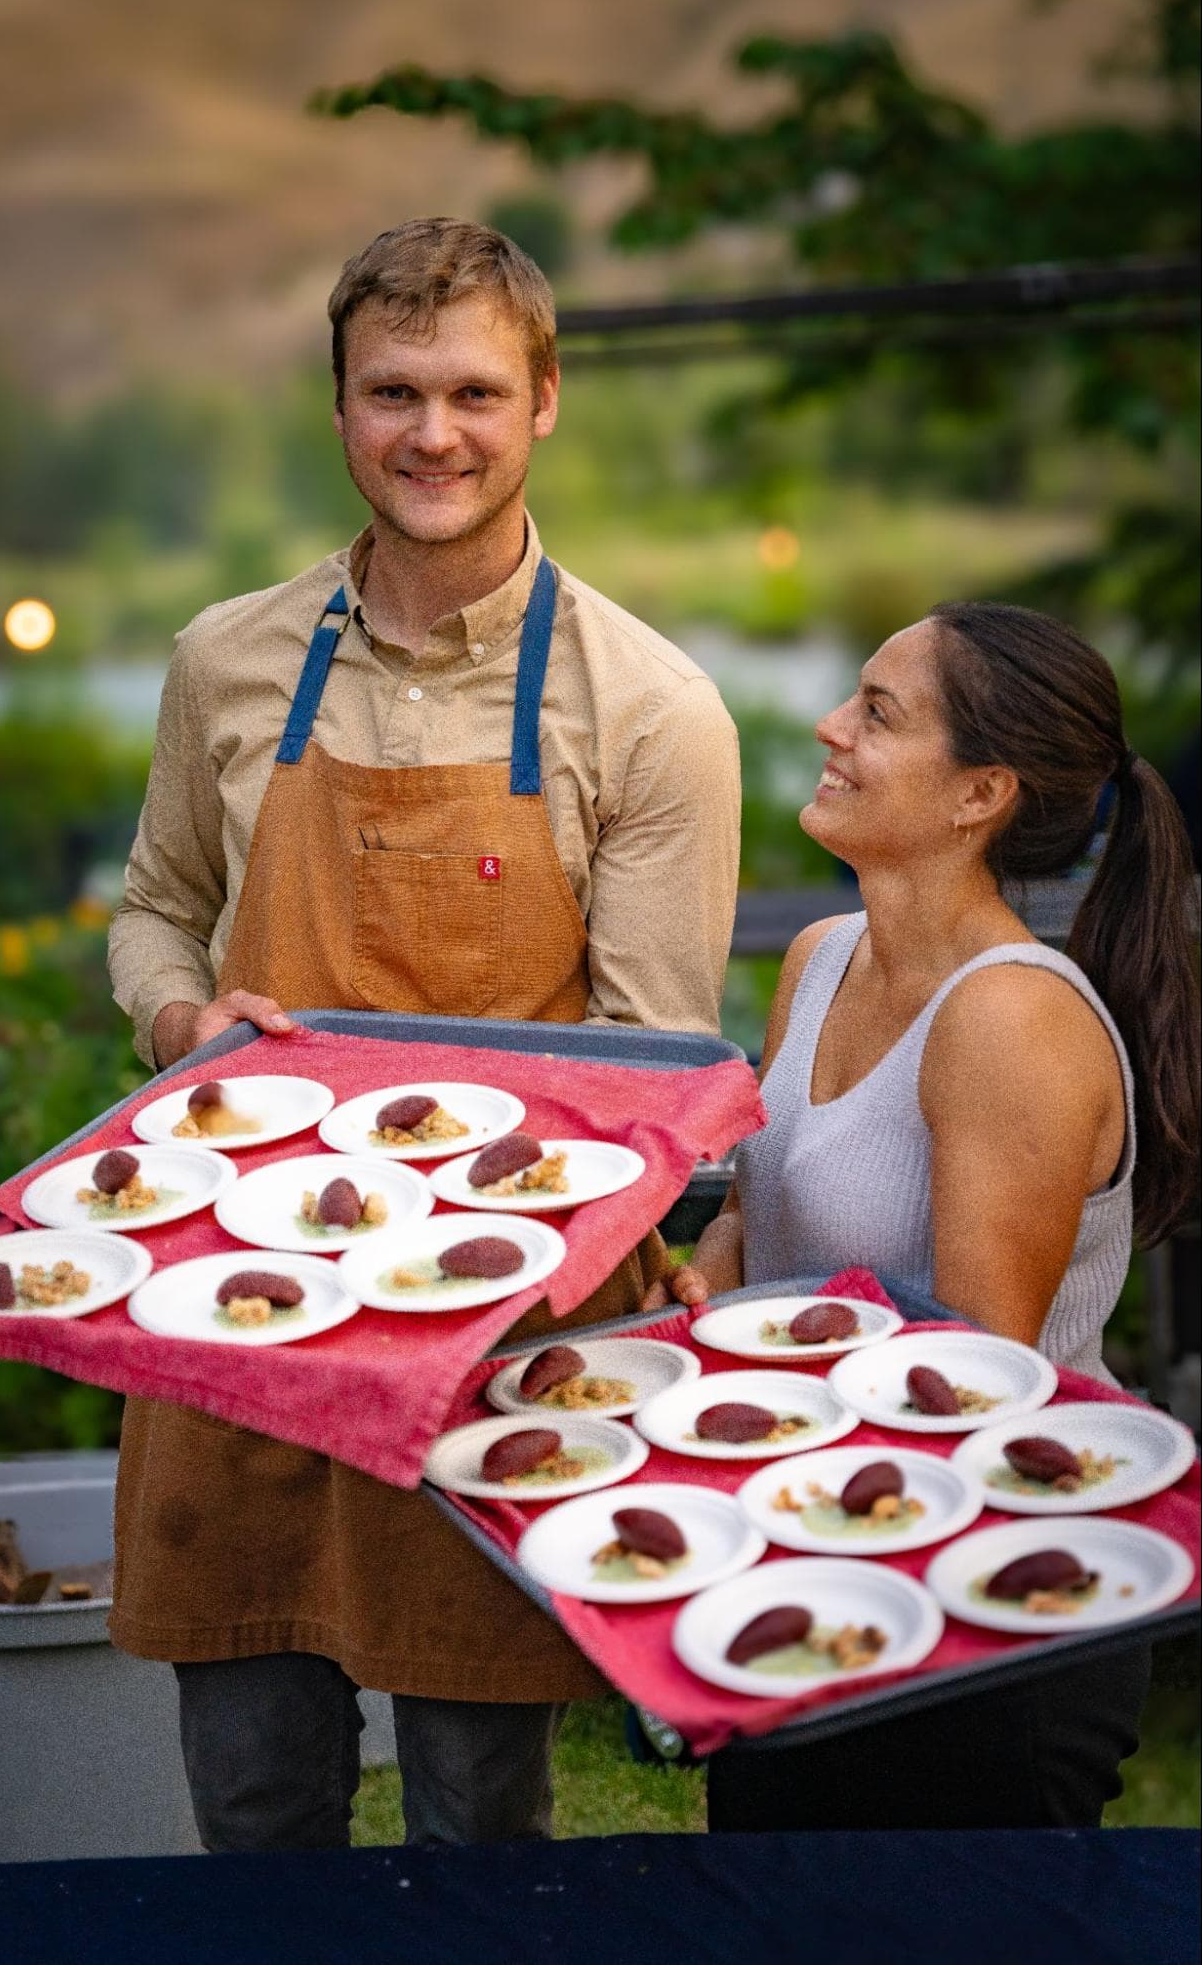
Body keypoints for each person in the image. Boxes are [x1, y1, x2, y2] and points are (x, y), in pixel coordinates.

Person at [105, 217, 741, 1850]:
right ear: (337, 408)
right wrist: (180, 1010)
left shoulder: (649, 706)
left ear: (544, 401)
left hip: (491, 1337)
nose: (432, 433)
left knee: (474, 1806)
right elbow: (155, 905)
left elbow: (649, 1076)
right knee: (249, 1795)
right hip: (229, 1306)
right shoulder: (224, 659)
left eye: (471, 390)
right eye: (392, 391)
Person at [648, 600, 1200, 1829]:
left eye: (879, 712)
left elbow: (974, 1383)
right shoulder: (822, 956)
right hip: (813, 1551)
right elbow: (759, 1216)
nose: (828, 725)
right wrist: (695, 1287)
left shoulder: (1008, 1018)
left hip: (992, 1602)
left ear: (978, 794)